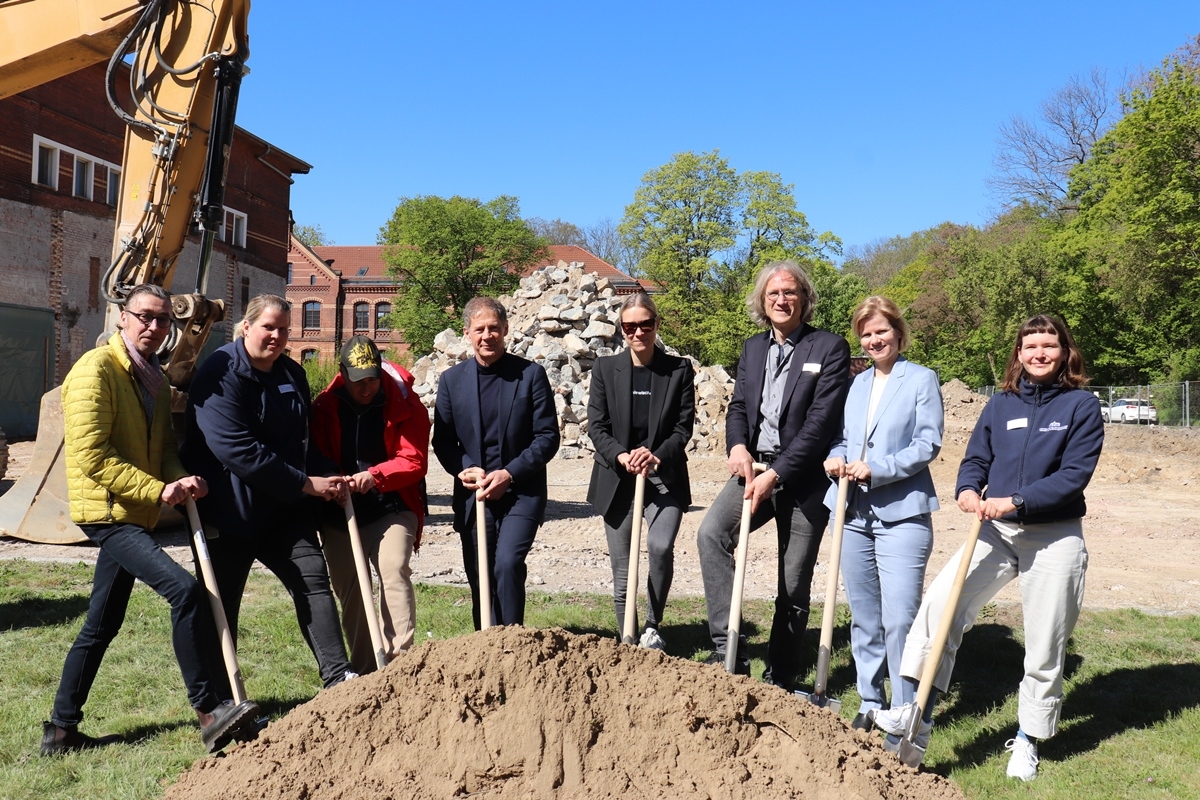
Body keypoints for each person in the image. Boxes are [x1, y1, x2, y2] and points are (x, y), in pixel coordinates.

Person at [872, 314, 1104, 782]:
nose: (1039, 354)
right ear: (1018, 354)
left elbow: (1073, 477)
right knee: (940, 609)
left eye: (1049, 346)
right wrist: (967, 488)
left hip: (1053, 534)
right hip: (993, 531)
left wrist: (1016, 501)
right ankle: (915, 711)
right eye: (1030, 346)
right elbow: (977, 456)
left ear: (1065, 353)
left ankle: (1027, 739)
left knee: (1044, 641)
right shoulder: (1001, 404)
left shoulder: (1081, 406)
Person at [44, 284, 259, 756]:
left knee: (100, 625)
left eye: (164, 320)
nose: (155, 327)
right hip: (106, 512)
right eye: (145, 317)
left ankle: (60, 730)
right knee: (185, 591)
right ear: (122, 316)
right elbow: (92, 456)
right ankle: (209, 711)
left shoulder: (154, 381)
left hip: (134, 512)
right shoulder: (95, 371)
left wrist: (184, 479)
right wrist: (158, 491)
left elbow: (163, 450)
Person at [183, 294, 356, 691]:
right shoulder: (220, 372)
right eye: (268, 327)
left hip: (284, 510)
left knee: (312, 580)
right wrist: (304, 484)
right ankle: (222, 701)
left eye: (283, 329)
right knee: (221, 605)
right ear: (247, 327)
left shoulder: (291, 374)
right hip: (229, 511)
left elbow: (302, 440)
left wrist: (325, 474)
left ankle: (339, 678)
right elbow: (236, 449)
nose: (276, 336)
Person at [696, 260, 851, 684]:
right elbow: (740, 407)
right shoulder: (753, 348)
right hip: (754, 468)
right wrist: (737, 445)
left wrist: (777, 474)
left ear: (804, 299)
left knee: (793, 582)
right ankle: (728, 653)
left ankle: (781, 675)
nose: (782, 300)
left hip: (803, 478)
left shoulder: (829, 348)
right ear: (762, 302)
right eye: (773, 294)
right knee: (711, 535)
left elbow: (820, 424)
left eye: (790, 292)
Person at [822, 296, 943, 729]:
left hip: (903, 513)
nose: (875, 340)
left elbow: (927, 445)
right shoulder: (856, 385)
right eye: (867, 334)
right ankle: (870, 699)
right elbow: (843, 439)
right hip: (852, 512)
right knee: (864, 616)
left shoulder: (921, 380)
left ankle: (905, 706)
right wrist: (835, 459)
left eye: (881, 331)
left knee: (901, 617)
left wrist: (878, 469)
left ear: (898, 332)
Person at [432, 296, 560, 628]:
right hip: (475, 497)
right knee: (481, 576)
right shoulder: (451, 381)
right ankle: (485, 645)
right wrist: (463, 467)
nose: (487, 335)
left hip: (521, 491)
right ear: (467, 333)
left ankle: (512, 643)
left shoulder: (530, 375)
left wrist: (509, 474)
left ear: (505, 330)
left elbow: (547, 436)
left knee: (507, 564)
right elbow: (443, 442)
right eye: (479, 329)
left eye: (494, 328)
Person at [311, 335, 429, 674]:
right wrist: (333, 480)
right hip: (340, 511)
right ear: (343, 374)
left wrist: (375, 476)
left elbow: (413, 460)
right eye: (359, 381)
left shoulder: (405, 402)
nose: (367, 388)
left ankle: (399, 662)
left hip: (391, 505)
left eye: (373, 380)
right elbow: (315, 455)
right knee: (350, 586)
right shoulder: (324, 406)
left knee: (393, 567)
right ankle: (366, 668)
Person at [587, 293, 695, 650]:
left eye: (645, 325)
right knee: (623, 571)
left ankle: (652, 625)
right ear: (621, 328)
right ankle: (627, 639)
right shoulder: (604, 369)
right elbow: (597, 426)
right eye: (630, 326)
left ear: (656, 325)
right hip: (617, 479)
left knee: (660, 545)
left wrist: (656, 456)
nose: (638, 333)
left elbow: (683, 428)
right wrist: (620, 456)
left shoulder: (678, 370)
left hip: (664, 478)